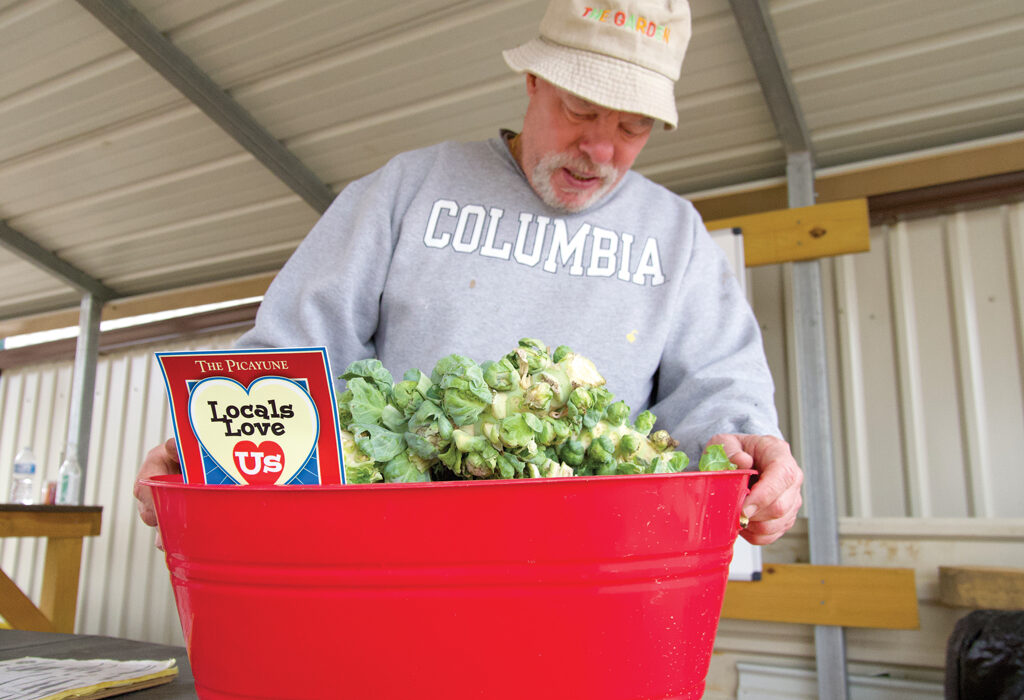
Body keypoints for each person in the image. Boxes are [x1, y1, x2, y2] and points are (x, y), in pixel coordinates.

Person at [135, 0, 802, 546]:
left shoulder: (675, 234)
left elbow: (719, 391)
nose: (600, 149)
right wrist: (208, 458)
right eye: (581, 110)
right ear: (533, 80)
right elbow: (289, 353)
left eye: (633, 126)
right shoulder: (408, 189)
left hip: (594, 567)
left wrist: (751, 450)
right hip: (393, 562)